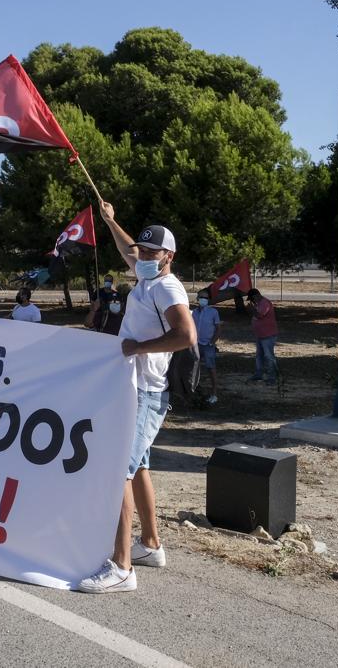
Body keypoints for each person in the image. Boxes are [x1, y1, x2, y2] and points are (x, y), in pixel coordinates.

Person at [78, 202, 195, 595]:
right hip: (135, 389)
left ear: (169, 257)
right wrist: (110, 220)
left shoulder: (166, 286)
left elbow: (187, 336)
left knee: (118, 473)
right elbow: (127, 249)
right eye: (142, 252)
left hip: (146, 392)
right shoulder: (147, 278)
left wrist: (136, 347)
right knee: (140, 467)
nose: (142, 257)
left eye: (151, 253)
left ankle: (122, 567)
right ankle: (150, 545)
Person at [192, 291, 221, 405]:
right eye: (202, 297)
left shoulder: (213, 312)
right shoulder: (193, 312)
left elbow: (218, 328)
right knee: (194, 368)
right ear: (198, 298)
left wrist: (212, 342)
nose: (204, 299)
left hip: (208, 345)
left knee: (211, 369)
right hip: (196, 344)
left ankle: (214, 394)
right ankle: (194, 390)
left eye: (206, 298)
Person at [247, 288, 279, 385]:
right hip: (260, 335)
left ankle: (272, 377)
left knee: (269, 356)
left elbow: (260, 315)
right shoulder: (259, 304)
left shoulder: (265, 303)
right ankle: (259, 374)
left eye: (252, 299)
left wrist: (252, 310)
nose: (252, 301)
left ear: (256, 296)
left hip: (268, 335)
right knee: (259, 356)